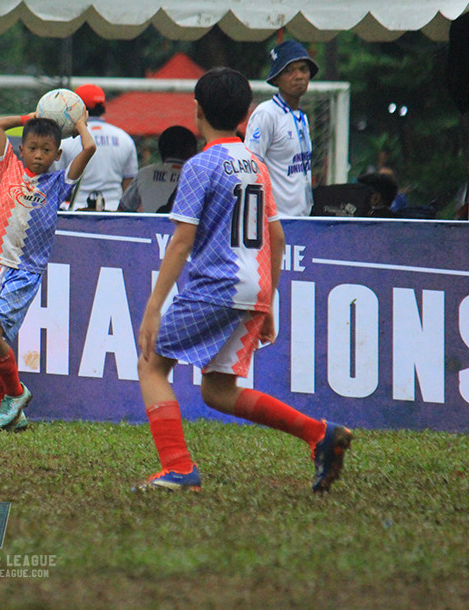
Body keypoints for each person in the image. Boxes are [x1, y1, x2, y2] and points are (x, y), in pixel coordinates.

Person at [135, 67, 352, 493]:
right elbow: (276, 236)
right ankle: (318, 433)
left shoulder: (200, 165)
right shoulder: (255, 164)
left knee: (151, 363)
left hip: (216, 285)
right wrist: (268, 301)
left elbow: (181, 241)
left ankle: (178, 467)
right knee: (218, 390)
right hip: (253, 287)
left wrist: (153, 307)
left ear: (196, 110)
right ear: (247, 113)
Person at [0, 110, 96, 431]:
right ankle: (13, 417)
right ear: (20, 149)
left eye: (47, 150)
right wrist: (32, 115)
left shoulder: (57, 183)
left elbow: (90, 148)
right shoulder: (7, 166)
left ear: (58, 154)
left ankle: (16, 394)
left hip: (24, 272)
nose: (39, 155)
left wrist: (77, 121)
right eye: (33, 148)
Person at [245, 40, 318, 217]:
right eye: (289, 71)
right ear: (276, 78)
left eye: (303, 69)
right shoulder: (267, 113)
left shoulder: (302, 117)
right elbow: (250, 169)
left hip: (301, 221)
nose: (299, 76)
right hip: (276, 222)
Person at [55, 84, 138, 211]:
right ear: (102, 106)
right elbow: (129, 182)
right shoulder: (124, 138)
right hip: (114, 211)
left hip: (75, 210)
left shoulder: (66, 140)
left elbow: (57, 182)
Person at [119, 125, 199, 213]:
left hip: (150, 226)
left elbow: (123, 208)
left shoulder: (144, 173)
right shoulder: (198, 176)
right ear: (193, 150)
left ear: (161, 149)